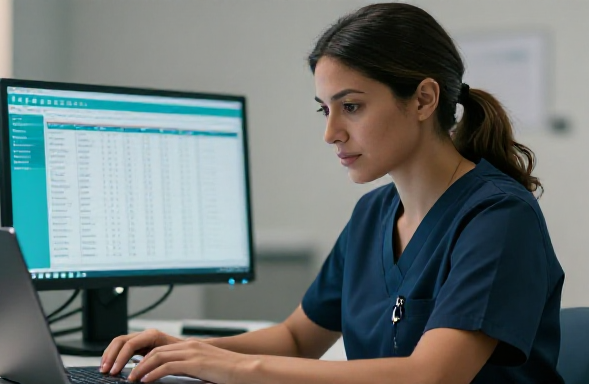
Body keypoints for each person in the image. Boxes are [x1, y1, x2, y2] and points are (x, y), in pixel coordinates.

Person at [100, 3, 565, 383]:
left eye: (352, 107)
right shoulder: (374, 214)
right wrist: (188, 350)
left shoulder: (499, 217)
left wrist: (237, 367)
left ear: (424, 99)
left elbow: (432, 376)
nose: (331, 132)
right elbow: (298, 340)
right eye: (325, 109)